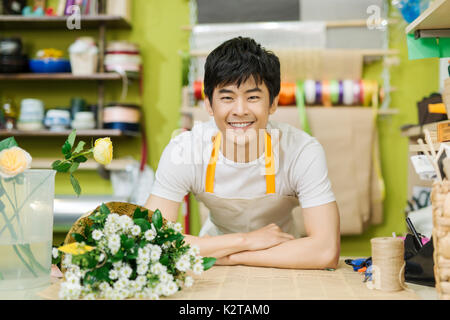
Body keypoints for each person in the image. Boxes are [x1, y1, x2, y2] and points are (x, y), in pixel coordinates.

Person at [145, 37, 340, 269]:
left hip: (284, 259)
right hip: (213, 263)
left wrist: (230, 257)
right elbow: (149, 241)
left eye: (253, 97)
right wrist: (246, 241)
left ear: (273, 103)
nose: (239, 110)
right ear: (208, 105)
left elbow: (326, 251)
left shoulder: (302, 151)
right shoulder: (184, 150)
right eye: (227, 97)